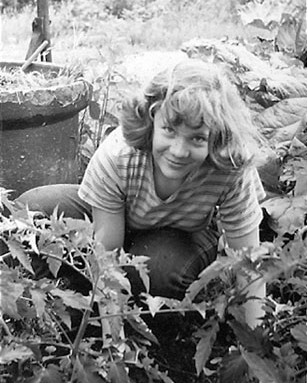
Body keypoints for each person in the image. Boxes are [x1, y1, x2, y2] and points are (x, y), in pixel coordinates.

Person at [17, 59, 266, 328]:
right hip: (116, 218)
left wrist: (256, 345)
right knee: (30, 211)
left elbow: (250, 266)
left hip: (182, 234)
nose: (178, 151)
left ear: (218, 138)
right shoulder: (119, 156)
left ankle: (154, 316)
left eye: (197, 138)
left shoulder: (230, 168)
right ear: (151, 120)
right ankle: (61, 305)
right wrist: (110, 340)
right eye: (169, 130)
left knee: (158, 270)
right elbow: (107, 252)